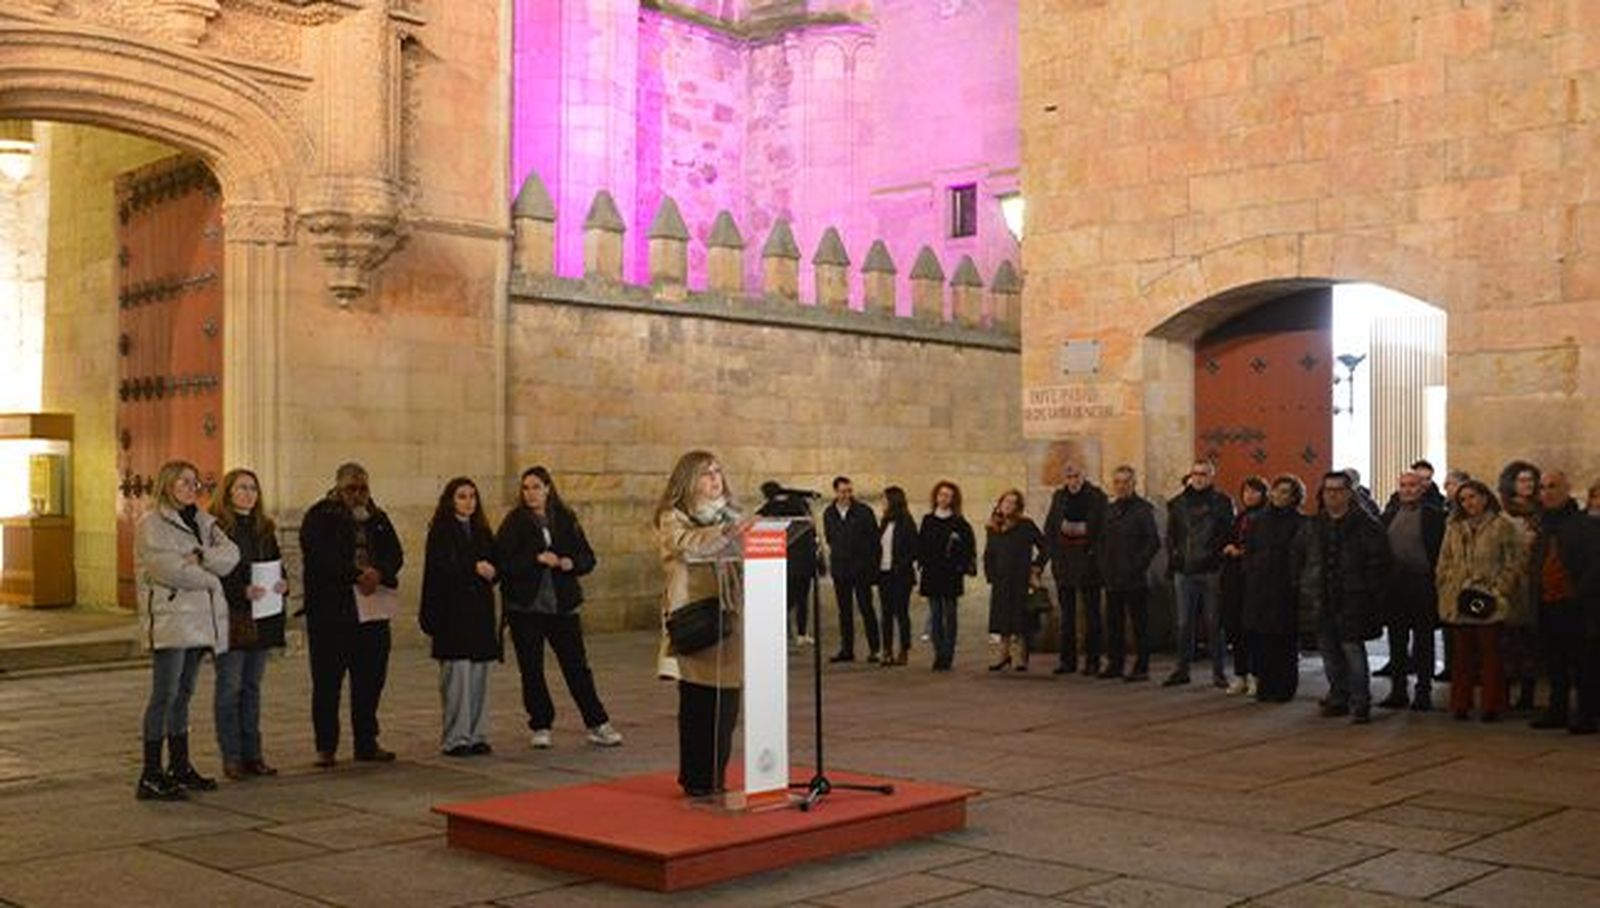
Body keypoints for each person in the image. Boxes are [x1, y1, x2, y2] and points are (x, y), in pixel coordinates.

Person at [135, 460, 240, 800]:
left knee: (184, 694)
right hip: (172, 618)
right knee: (164, 694)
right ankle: (150, 773)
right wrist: (211, 579)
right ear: (167, 484)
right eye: (183, 481)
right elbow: (169, 569)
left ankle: (179, 766)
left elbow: (230, 556)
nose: (190, 488)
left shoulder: (204, 521)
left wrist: (200, 556)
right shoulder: (151, 524)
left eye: (194, 482)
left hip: (200, 620)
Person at [496, 466, 620, 748]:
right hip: (526, 608)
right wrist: (535, 558)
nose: (531, 493)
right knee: (531, 668)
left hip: (562, 607)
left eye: (536, 487)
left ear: (548, 488)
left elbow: (587, 557)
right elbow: (505, 564)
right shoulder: (514, 522)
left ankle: (596, 722)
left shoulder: (565, 518)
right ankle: (540, 723)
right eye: (526, 488)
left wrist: (568, 563)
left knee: (576, 666)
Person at [655, 451, 754, 798]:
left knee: (726, 705)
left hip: (729, 621)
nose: (715, 479)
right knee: (698, 704)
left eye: (717, 472)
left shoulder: (733, 516)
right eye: (706, 474)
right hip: (696, 620)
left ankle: (715, 776)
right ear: (688, 480)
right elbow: (688, 548)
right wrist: (728, 530)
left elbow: (746, 554)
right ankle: (697, 779)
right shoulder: (674, 517)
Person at [299, 462, 404, 766]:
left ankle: (366, 740)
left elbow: (395, 553)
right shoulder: (320, 516)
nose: (358, 495)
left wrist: (379, 571)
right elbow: (319, 556)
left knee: (370, 679)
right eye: (351, 489)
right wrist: (355, 574)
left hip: (372, 612)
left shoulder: (378, 518)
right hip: (332, 613)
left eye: (363, 489)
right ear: (338, 487)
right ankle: (326, 745)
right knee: (328, 682)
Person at [210, 468, 288, 780]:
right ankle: (232, 756)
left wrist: (282, 584)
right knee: (229, 688)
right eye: (241, 488)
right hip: (231, 617)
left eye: (253, 488)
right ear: (228, 492)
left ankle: (253, 754)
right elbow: (213, 572)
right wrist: (240, 591)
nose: (248, 494)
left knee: (252, 688)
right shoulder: (216, 528)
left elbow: (277, 565)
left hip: (262, 616)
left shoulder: (264, 528)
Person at [1301, 471, 1391, 724]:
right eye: (1328, 490)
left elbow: (1379, 563)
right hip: (1323, 596)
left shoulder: (1367, 525)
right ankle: (1338, 695)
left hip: (1354, 597)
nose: (1332, 495)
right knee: (1329, 651)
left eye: (1338, 490)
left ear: (1349, 493)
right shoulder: (1315, 524)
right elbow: (1304, 558)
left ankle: (1360, 701)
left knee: (1353, 651)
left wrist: (1369, 592)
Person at [419, 477, 499, 757]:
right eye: (462, 496)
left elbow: (496, 561)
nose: (468, 502)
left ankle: (477, 734)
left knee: (479, 676)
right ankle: (456, 737)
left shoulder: (482, 530)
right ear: (450, 500)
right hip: (452, 614)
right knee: (457, 678)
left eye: (472, 496)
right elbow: (441, 568)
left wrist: (493, 570)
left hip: (479, 614)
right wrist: (473, 567)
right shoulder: (441, 530)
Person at [1436, 479, 1525, 722]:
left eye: (1473, 497)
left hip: (1488, 595)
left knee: (1491, 654)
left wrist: (1499, 589)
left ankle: (1492, 704)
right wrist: (1446, 583)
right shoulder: (1454, 526)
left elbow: (1514, 561)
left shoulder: (1501, 525)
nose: (1468, 503)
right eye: (1463, 499)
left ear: (1485, 498)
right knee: (1461, 655)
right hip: (1459, 596)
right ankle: (1460, 703)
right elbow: (1445, 559)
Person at [1528, 471, 1592, 733]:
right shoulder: (1543, 525)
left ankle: (1586, 714)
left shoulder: (1584, 525)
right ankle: (1557, 709)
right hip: (1547, 602)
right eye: (1542, 488)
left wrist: (1578, 592)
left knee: (1582, 663)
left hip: (1576, 605)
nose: (1547, 492)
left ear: (1567, 489)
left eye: (1553, 487)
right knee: (1554, 661)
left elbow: (1592, 566)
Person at [1378, 471, 1446, 712]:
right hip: (1395, 587)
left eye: (1413, 486)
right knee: (1396, 641)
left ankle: (1423, 691)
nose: (1407, 490)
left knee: (1423, 640)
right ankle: (1398, 690)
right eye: (1403, 485)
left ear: (1422, 488)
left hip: (1423, 585)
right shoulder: (1387, 516)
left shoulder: (1436, 517)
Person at [1164, 461, 1235, 688]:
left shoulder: (1223, 502)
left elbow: (1227, 533)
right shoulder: (1177, 503)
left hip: (1211, 570)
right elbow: (1171, 536)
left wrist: (1216, 558)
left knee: (1214, 623)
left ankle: (1218, 672)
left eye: (1204, 474)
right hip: (1184, 570)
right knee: (1184, 623)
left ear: (1211, 477)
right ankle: (1182, 670)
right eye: (1195, 474)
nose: (1199, 478)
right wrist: (1174, 559)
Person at [1242, 474, 1307, 703]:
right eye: (1277, 491)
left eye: (1285, 492)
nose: (1279, 496)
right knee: (1262, 640)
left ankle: (1284, 687)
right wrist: (1252, 569)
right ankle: (1265, 685)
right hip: (1260, 588)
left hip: (1285, 589)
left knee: (1285, 642)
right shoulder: (1259, 520)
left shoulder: (1301, 523)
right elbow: (1249, 549)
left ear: (1294, 497)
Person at [1042, 464, 1108, 676]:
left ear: (1084, 476)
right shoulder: (1059, 497)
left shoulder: (1097, 497)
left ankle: (1092, 662)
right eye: (1069, 477)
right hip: (1065, 564)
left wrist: (1095, 555)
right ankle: (1067, 661)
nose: (1073, 480)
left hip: (1089, 565)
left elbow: (1103, 530)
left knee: (1092, 616)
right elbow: (1050, 528)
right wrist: (1046, 558)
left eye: (1076, 476)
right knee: (1067, 617)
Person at [1097, 466, 1161, 682]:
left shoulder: (1143, 509)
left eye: (1126, 481)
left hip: (1136, 578)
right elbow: (1102, 541)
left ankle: (1142, 667)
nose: (1121, 485)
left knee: (1140, 625)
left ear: (1134, 484)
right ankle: (1115, 663)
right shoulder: (1109, 510)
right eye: (1117, 482)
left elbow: (1153, 541)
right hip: (1113, 577)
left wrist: (1137, 565)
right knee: (1113, 624)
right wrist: (1104, 566)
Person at [984, 489, 1048, 672]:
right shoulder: (994, 527)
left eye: (1012, 502)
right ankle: (1003, 654)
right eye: (1005, 502)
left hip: (1021, 578)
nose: (1008, 505)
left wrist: (1037, 567)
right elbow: (989, 553)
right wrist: (991, 574)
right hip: (1001, 579)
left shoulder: (1026, 525)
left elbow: (1044, 546)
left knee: (1020, 618)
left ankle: (1021, 656)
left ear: (1018, 507)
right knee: (1002, 617)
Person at [1498, 460, 1543, 712]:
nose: (1528, 485)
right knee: (1509, 642)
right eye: (1522, 480)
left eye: (1531, 480)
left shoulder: (1541, 512)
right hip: (1512, 585)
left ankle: (1528, 692)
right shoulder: (1504, 515)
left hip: (1535, 583)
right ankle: (1505, 693)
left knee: (1532, 641)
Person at [918, 480, 976, 671]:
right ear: (936, 497)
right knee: (935, 615)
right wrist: (922, 563)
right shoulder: (928, 520)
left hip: (951, 574)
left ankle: (948, 655)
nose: (944, 498)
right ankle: (938, 654)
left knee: (950, 616)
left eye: (948, 496)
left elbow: (969, 548)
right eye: (941, 495)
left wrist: (959, 557)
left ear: (953, 499)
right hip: (932, 574)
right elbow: (922, 546)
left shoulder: (959, 522)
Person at [823, 476, 882, 663]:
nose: (847, 495)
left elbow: (874, 539)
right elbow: (830, 537)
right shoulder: (829, 513)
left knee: (866, 608)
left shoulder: (864, 511)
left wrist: (870, 565)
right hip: (841, 569)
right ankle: (847, 649)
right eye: (842, 491)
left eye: (849, 491)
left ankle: (875, 649)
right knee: (844, 611)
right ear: (836, 492)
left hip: (861, 568)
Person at [1220, 476, 1267, 695]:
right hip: (1234, 580)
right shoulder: (1239, 517)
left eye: (1255, 491)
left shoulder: (1265, 518)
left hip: (1254, 581)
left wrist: (1243, 552)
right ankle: (1240, 674)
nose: (1250, 496)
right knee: (1236, 628)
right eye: (1246, 491)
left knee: (1253, 630)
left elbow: (1264, 548)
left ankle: (1256, 675)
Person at [757, 481, 818, 646]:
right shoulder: (800, 503)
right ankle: (801, 633)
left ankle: (781, 631)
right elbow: (812, 527)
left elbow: (756, 522)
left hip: (784, 559)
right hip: (803, 560)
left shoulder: (771, 507)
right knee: (801, 598)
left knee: (787, 599)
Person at [876, 485, 919, 666]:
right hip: (884, 573)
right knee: (885, 613)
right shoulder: (885, 522)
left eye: (884, 499)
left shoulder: (907, 522)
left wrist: (900, 565)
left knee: (900, 612)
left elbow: (913, 549)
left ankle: (904, 649)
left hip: (901, 575)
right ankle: (886, 650)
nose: (882, 503)